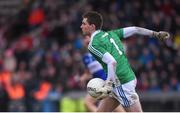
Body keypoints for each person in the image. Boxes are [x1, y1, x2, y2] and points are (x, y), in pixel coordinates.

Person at [80, 11, 170, 112]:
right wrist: (155, 34)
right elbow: (135, 29)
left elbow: (112, 62)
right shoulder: (111, 34)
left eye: (84, 24)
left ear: (92, 26)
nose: (81, 26)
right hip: (122, 80)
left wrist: (108, 84)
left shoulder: (93, 45)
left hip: (121, 84)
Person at [80, 35, 125, 112]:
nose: (87, 39)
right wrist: (83, 78)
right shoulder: (85, 58)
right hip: (99, 83)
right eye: (85, 38)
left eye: (89, 37)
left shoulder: (101, 51)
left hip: (106, 82)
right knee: (115, 107)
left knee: (88, 102)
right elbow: (89, 73)